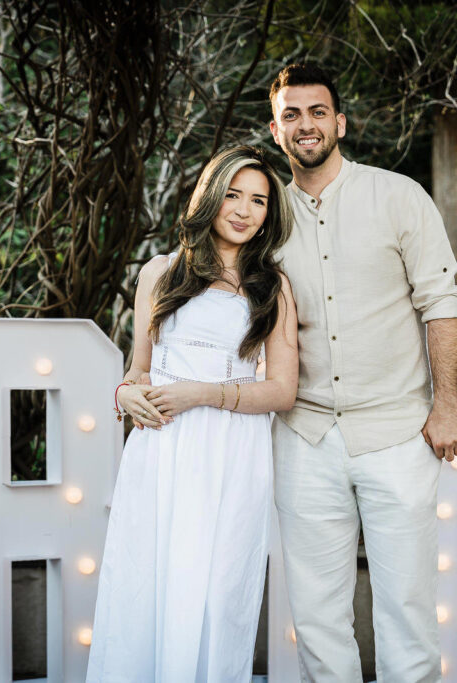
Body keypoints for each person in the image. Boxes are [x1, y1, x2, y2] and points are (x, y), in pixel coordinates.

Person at [268, 63, 457, 682]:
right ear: (275, 131)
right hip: (304, 436)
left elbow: (441, 301)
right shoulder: (263, 215)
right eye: (292, 115)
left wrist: (447, 404)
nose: (306, 125)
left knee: (407, 609)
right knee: (319, 617)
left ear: (341, 123)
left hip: (397, 434)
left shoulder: (399, 195)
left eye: (317, 112)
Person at [86, 145, 298, 682]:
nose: (245, 210)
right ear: (210, 195)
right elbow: (139, 371)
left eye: (259, 201)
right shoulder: (160, 272)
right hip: (162, 450)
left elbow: (282, 391)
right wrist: (123, 396)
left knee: (218, 593)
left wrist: (201, 393)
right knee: (148, 583)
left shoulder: (272, 286)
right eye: (233, 194)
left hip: (231, 455)